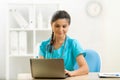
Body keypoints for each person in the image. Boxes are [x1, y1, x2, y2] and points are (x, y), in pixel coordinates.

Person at [39, 10, 89, 77]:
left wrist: (71, 73)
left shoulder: (73, 44)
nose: (60, 30)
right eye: (57, 26)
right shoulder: (44, 45)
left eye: (64, 26)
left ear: (68, 26)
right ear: (51, 25)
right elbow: (40, 68)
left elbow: (85, 68)